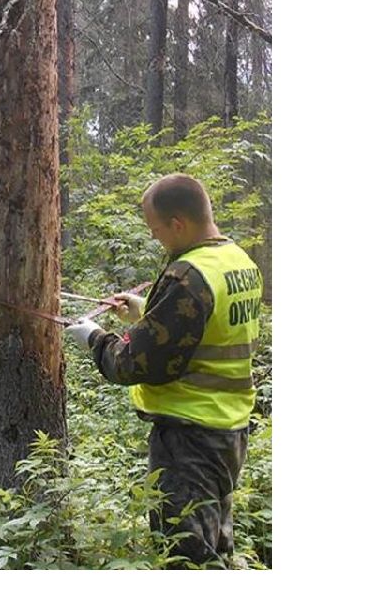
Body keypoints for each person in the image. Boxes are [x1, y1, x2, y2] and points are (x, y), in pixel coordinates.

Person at [65, 173, 262, 568]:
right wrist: (147, 313)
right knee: (216, 544)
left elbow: (131, 364)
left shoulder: (188, 277)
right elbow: (206, 329)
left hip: (189, 440)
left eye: (156, 231)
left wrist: (94, 338)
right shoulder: (237, 262)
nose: (156, 239)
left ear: (178, 223)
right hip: (228, 431)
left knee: (185, 557)